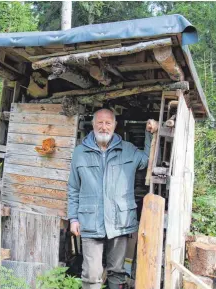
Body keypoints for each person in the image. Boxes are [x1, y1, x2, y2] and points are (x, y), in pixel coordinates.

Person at [67, 108, 158, 289]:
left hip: (119, 220)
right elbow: (73, 188)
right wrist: (73, 218)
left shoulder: (128, 150)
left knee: (117, 271)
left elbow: (148, 160)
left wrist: (151, 134)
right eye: (99, 123)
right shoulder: (80, 152)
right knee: (91, 274)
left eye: (108, 123)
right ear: (93, 125)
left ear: (115, 125)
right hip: (90, 220)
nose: (104, 127)